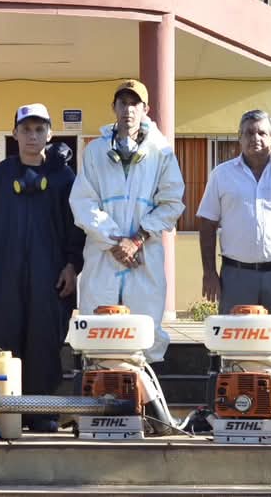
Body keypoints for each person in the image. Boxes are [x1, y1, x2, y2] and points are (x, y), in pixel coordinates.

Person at [0, 103, 85, 433]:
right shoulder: (0, 175)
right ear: (15, 134)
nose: (32, 136)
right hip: (4, 274)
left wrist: (72, 265)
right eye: (26, 129)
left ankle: (40, 411)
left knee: (44, 343)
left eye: (39, 129)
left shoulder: (64, 177)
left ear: (49, 134)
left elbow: (76, 227)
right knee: (0, 341)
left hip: (49, 276)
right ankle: (2, 411)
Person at [69, 79, 185, 365]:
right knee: (98, 329)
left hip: (143, 256)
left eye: (135, 104)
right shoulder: (95, 151)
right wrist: (113, 241)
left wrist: (136, 240)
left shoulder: (162, 152)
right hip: (103, 256)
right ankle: (97, 387)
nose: (128, 110)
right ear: (114, 107)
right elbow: (83, 202)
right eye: (123, 103)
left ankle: (142, 389)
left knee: (144, 331)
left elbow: (172, 203)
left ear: (146, 109)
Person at [196, 110, 271, 344]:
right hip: (236, 277)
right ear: (239, 138)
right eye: (249, 133)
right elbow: (207, 224)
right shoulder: (221, 174)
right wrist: (209, 272)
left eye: (262, 132)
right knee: (234, 348)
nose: (255, 138)